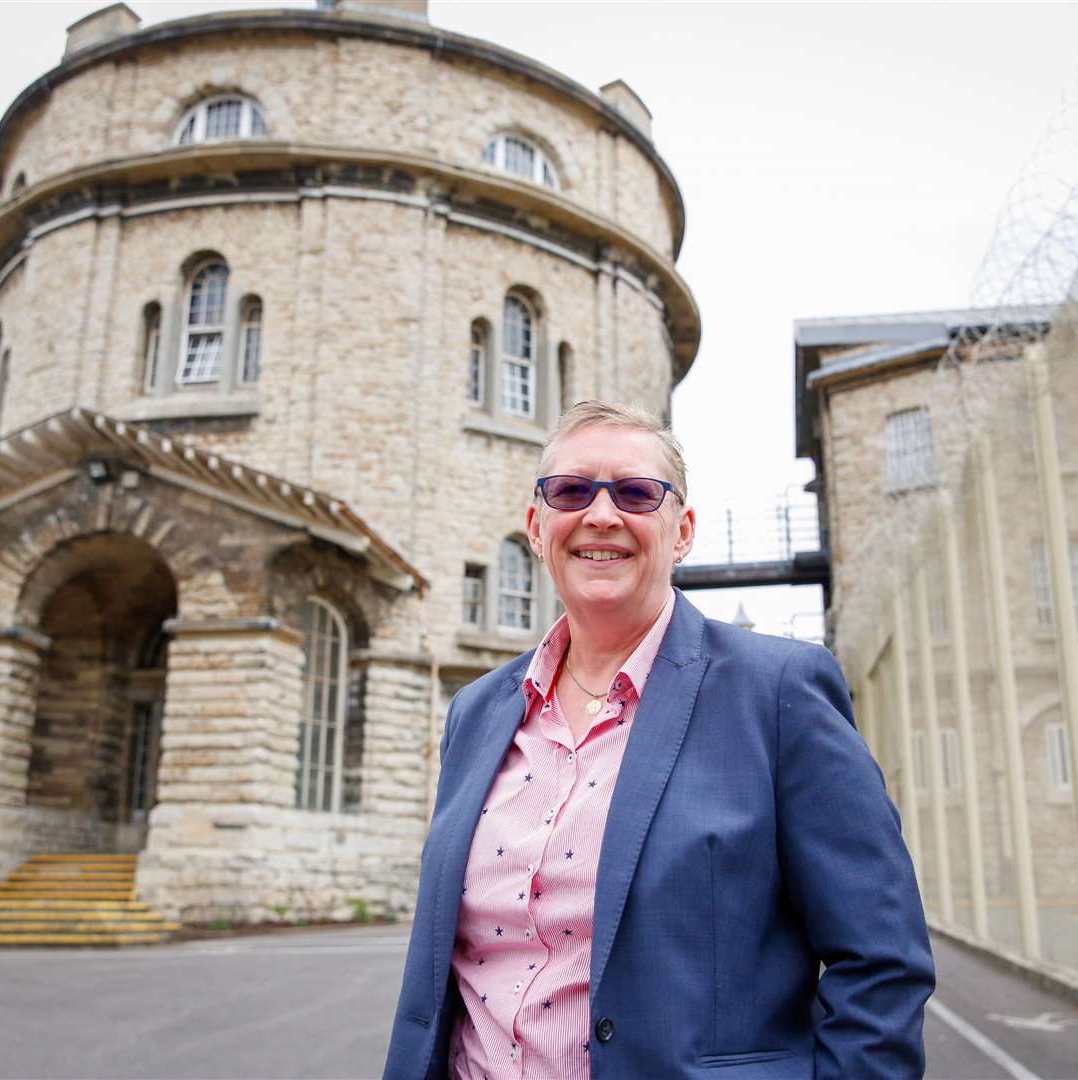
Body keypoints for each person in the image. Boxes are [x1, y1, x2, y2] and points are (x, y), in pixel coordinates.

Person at [385, 401, 932, 1079]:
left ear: (682, 532)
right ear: (536, 525)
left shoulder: (779, 692)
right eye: (572, 491)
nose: (602, 515)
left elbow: (882, 962)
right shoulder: (476, 712)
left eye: (638, 493)